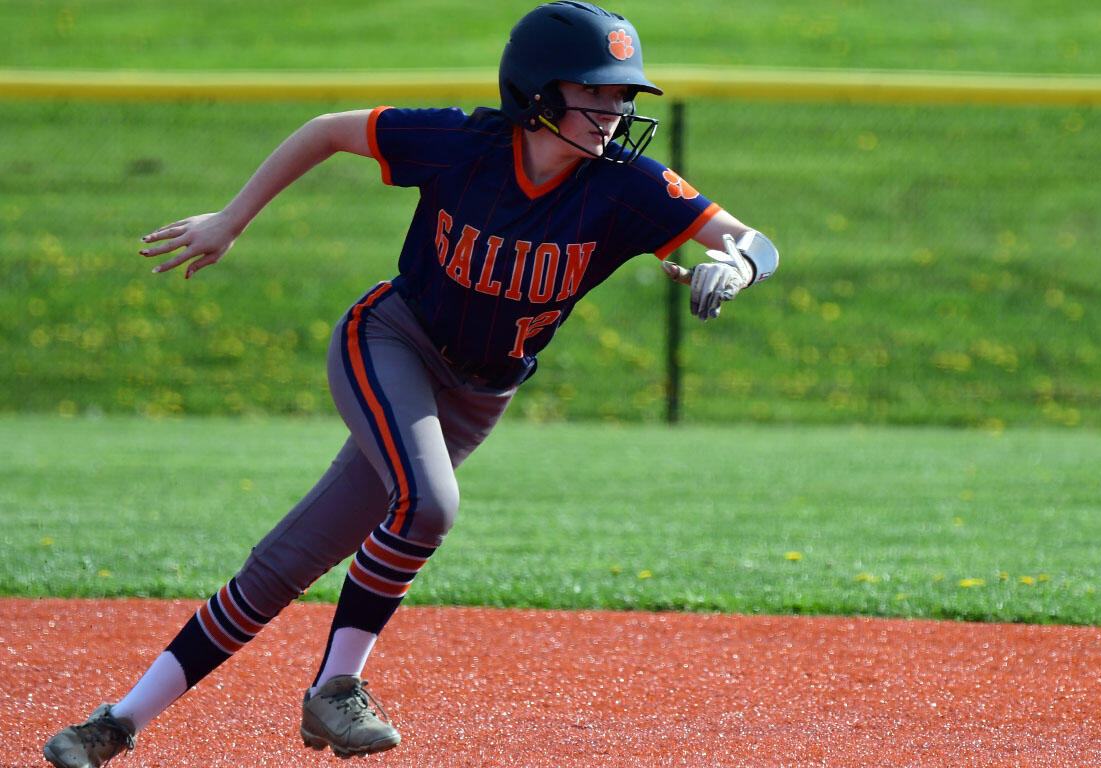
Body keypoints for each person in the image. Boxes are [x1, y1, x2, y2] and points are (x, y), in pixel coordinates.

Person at [41, 2, 779, 766]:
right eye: (595, 91)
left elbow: (753, 240)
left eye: (624, 96)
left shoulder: (627, 187)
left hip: (477, 398)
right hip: (392, 341)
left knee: (289, 562)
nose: (615, 111)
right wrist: (232, 218)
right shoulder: (463, 143)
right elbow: (328, 130)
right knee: (428, 506)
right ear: (535, 94)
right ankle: (337, 690)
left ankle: (112, 726)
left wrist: (739, 263)